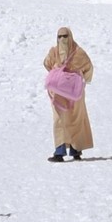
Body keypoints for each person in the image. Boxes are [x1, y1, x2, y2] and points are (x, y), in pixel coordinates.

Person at [44, 26, 94, 161]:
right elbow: (88, 68)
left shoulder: (55, 52)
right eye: (60, 36)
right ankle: (71, 150)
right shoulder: (78, 52)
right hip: (73, 92)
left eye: (65, 36)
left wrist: (58, 74)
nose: (62, 39)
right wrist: (80, 78)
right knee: (71, 119)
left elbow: (47, 64)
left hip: (61, 91)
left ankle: (64, 151)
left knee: (64, 119)